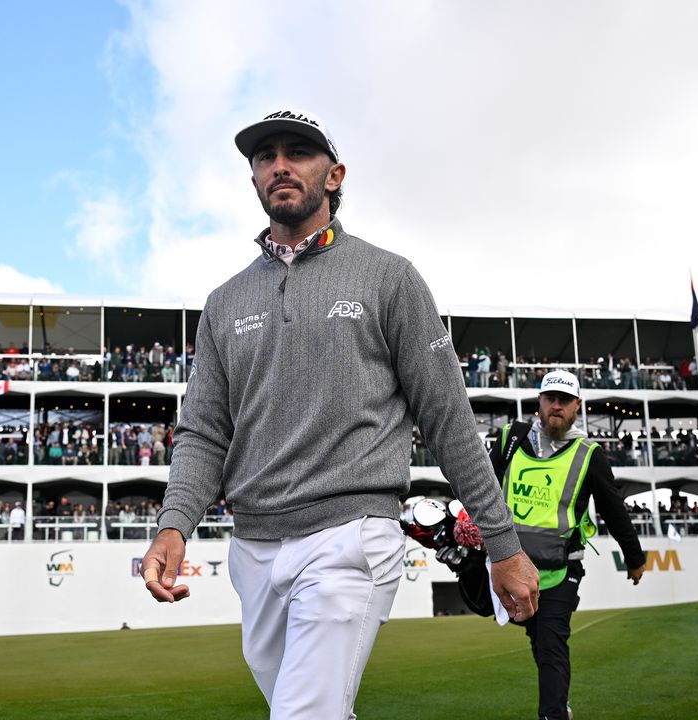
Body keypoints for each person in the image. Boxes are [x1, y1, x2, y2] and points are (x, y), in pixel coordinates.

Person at [140, 108, 539, 719]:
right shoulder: (224, 303)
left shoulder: (389, 278)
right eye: (264, 156)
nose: (279, 165)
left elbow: (448, 419)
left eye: (297, 151)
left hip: (352, 536)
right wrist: (174, 525)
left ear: (334, 174)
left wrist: (502, 545)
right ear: (252, 180)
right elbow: (202, 433)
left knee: (301, 715)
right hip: (253, 549)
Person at [490, 370, 645, 720]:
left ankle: (554, 714)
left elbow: (613, 510)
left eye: (564, 400)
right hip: (509, 566)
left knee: (550, 643)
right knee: (538, 638)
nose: (556, 406)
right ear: (539, 402)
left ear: (578, 406)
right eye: (550, 399)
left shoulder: (590, 454)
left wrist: (634, 559)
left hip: (561, 571)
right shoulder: (509, 438)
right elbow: (482, 488)